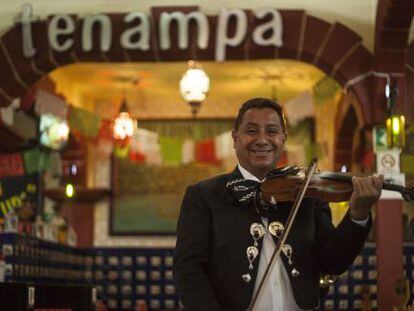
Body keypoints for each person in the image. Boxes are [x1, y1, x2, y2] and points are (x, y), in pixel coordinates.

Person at [173, 98, 383, 311]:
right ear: (235, 138)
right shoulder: (203, 196)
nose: (262, 140)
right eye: (252, 131)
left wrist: (358, 213)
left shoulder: (306, 194)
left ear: (283, 139)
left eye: (272, 131)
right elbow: (188, 270)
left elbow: (333, 262)